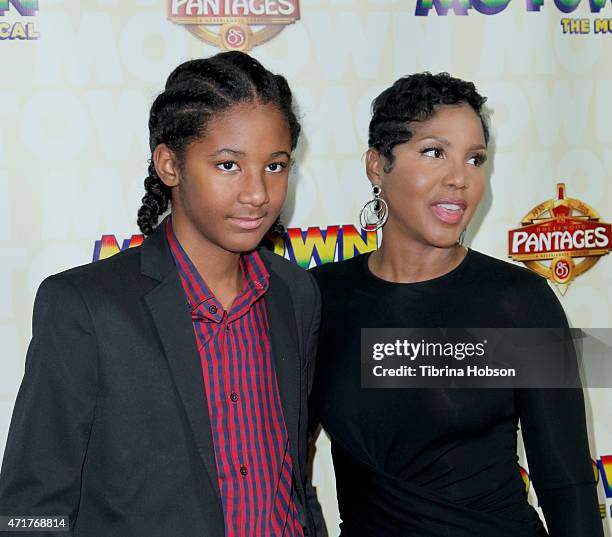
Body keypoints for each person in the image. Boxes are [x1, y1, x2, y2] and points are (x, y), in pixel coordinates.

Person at [0, 51, 321, 537]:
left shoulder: (295, 293)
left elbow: (293, 477)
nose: (258, 192)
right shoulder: (85, 307)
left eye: (275, 166)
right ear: (170, 164)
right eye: (229, 164)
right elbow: (28, 510)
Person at [310, 73, 603, 536]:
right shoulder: (319, 298)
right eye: (434, 152)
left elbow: (566, 483)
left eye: (475, 159)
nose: (460, 179)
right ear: (376, 166)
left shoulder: (518, 302)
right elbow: (283, 471)